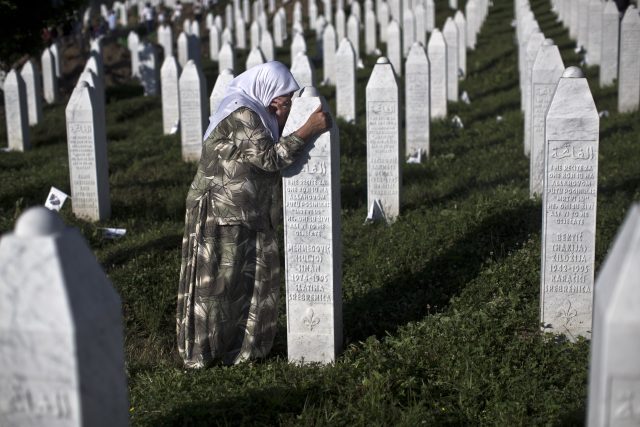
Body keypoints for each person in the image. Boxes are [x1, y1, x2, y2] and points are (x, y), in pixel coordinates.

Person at [176, 61, 331, 367]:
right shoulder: (243, 113)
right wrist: (307, 129)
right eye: (284, 103)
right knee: (217, 286)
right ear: (269, 95)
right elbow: (269, 158)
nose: (283, 112)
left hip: (245, 211)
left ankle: (238, 348)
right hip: (220, 212)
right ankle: (204, 353)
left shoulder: (257, 112)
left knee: (243, 284)